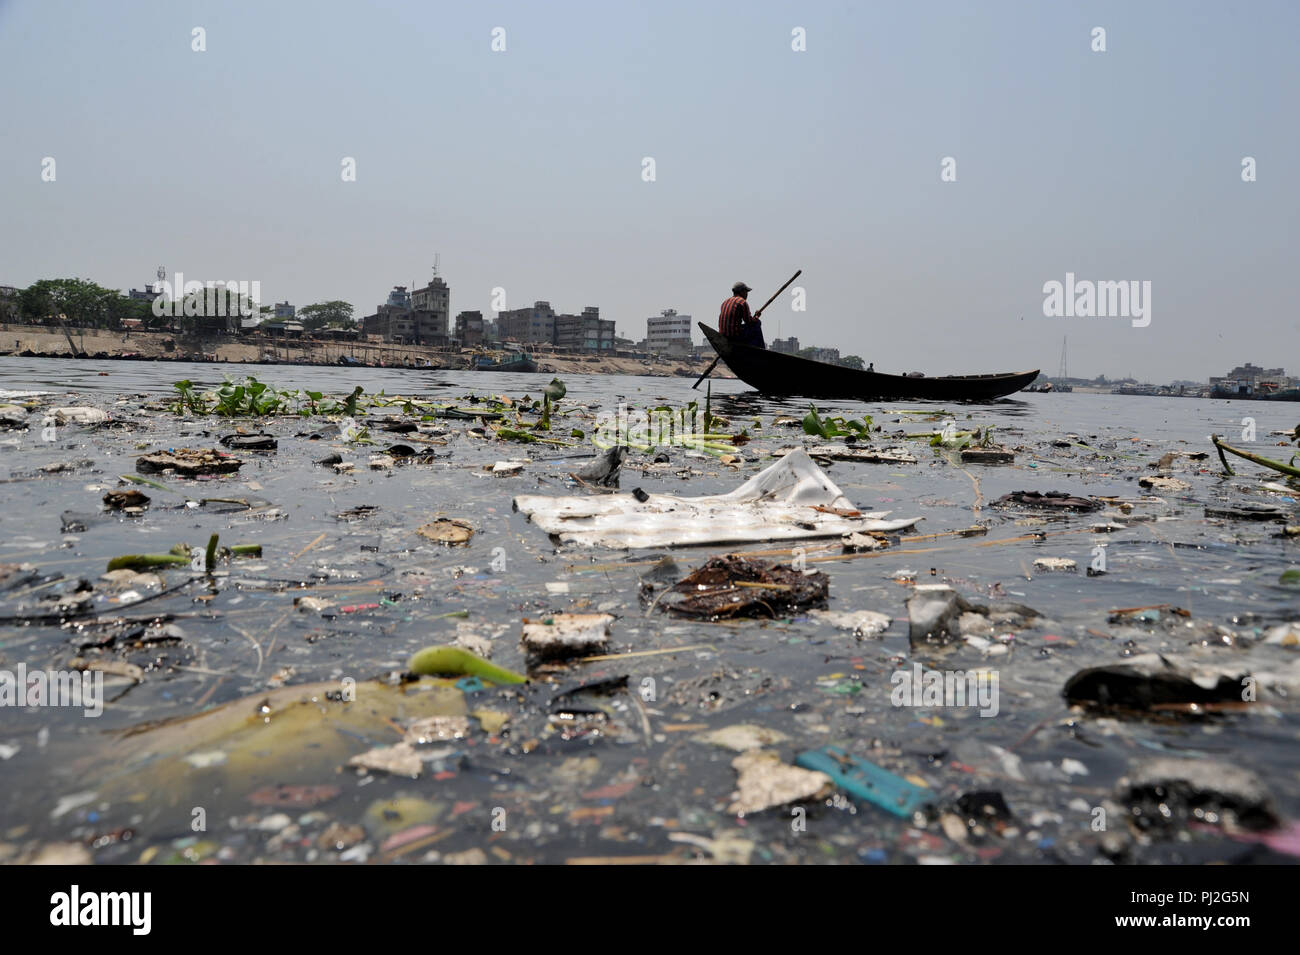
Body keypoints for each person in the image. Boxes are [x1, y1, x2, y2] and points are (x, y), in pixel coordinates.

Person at [718, 282, 765, 349]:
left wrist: (754, 318)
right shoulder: (742, 302)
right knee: (757, 323)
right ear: (742, 292)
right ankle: (760, 349)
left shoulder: (725, 302)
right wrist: (757, 317)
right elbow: (749, 322)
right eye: (746, 292)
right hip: (734, 336)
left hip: (723, 335)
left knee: (748, 325)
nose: (747, 294)